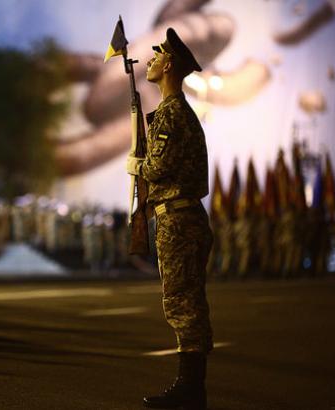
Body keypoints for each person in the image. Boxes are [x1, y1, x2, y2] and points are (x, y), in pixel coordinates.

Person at [125, 28, 213, 409]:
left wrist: (137, 164)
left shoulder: (174, 113)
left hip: (179, 219)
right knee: (184, 300)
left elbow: (159, 166)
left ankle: (190, 389)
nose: (150, 60)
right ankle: (191, 387)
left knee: (182, 302)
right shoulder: (173, 112)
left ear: (170, 64)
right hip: (179, 217)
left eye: (157, 54)